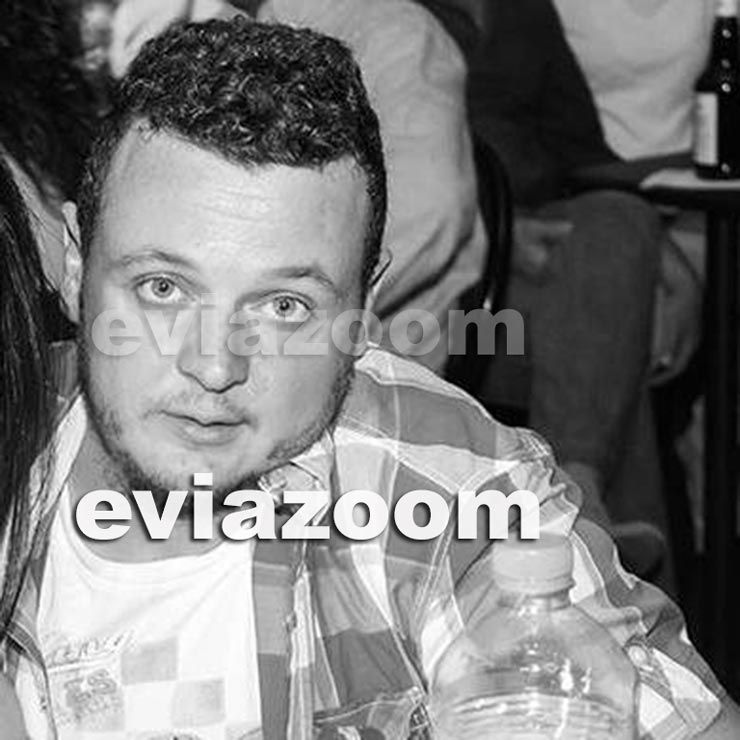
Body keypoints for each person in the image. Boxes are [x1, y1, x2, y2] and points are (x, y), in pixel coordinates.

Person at [2, 17, 739, 739]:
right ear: (73, 263)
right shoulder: (14, 441)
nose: (214, 366)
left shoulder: (448, 491)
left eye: (285, 306)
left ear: (363, 309)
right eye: (162, 288)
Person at [104, 0, 487, 373]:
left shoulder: (398, 32)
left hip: (365, 360)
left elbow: (430, 213)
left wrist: (279, 312)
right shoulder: (220, 26)